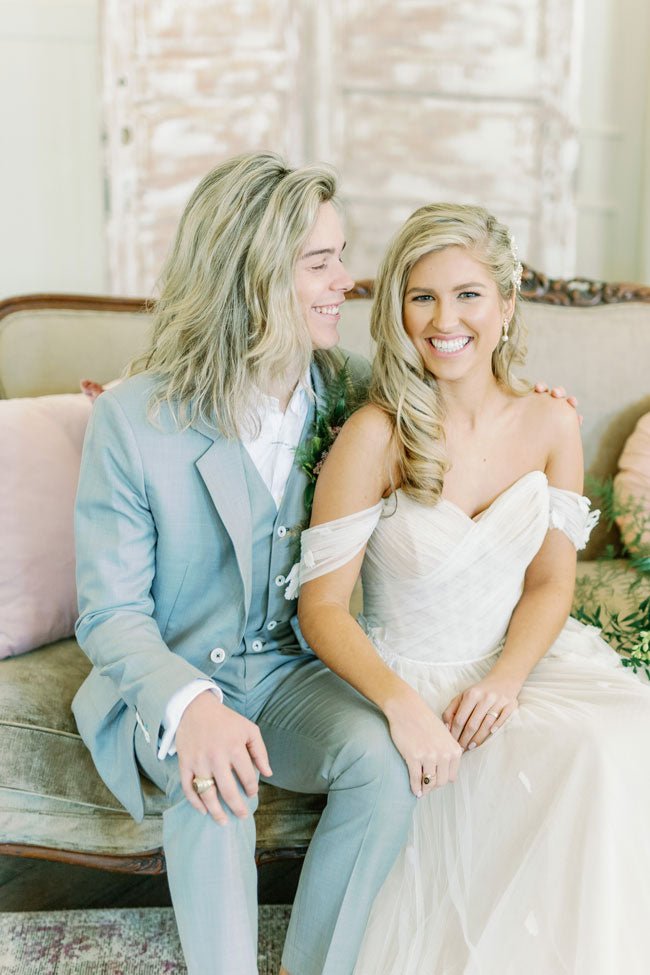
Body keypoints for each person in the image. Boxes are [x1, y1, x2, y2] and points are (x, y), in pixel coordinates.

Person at [72, 152, 418, 975]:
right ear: (252, 275)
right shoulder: (134, 417)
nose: (346, 280)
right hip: (175, 670)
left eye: (342, 256)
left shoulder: (359, 393)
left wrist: (538, 408)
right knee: (215, 774)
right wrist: (188, 706)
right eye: (320, 262)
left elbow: (467, 419)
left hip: (296, 674)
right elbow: (109, 613)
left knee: (386, 761)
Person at [295, 203, 650, 974]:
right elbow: (321, 609)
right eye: (422, 296)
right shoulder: (375, 435)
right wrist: (403, 706)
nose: (443, 318)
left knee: (624, 736)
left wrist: (507, 679)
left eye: (467, 295)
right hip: (411, 676)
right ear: (398, 309)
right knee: (572, 757)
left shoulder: (551, 421)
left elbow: (553, 581)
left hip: (515, 663)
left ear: (506, 304)